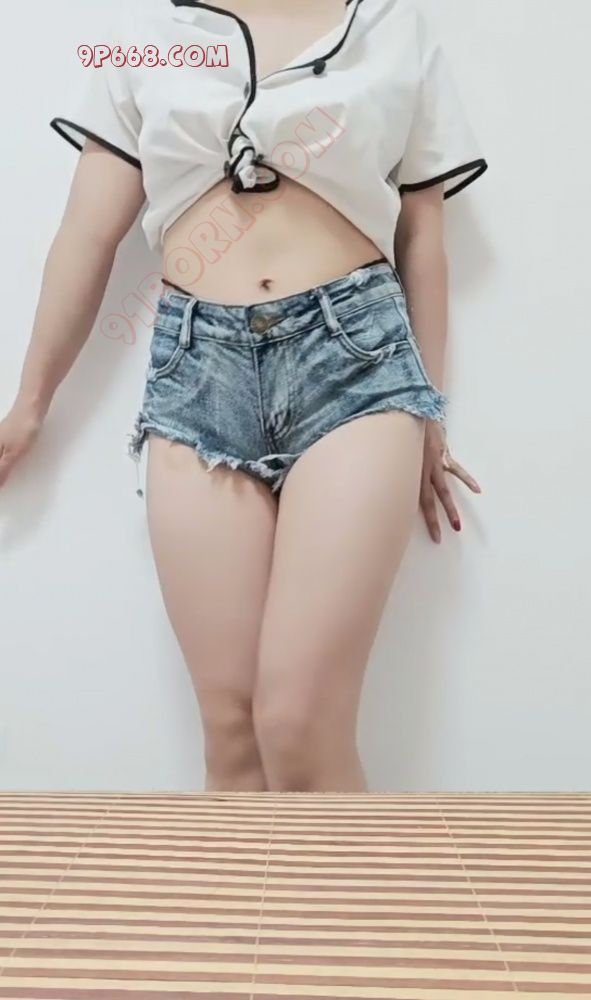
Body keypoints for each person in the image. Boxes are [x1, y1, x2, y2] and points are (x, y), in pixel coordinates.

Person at [0, 0, 487, 792]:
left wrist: (428, 411)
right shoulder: (149, 35)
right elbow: (86, 233)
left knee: (298, 722)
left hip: (353, 358)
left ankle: (351, 883)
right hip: (197, 364)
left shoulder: (391, 24)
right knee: (231, 731)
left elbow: (423, 233)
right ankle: (244, 885)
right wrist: (29, 403)